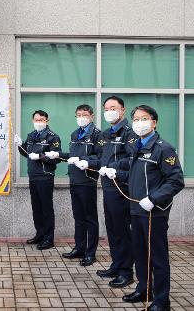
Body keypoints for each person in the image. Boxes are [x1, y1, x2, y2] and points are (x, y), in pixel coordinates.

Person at [104, 105, 184, 311]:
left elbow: (175, 181)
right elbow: (134, 175)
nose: (140, 123)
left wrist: (154, 198)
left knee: (158, 257)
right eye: (136, 119)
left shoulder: (163, 148)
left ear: (154, 122)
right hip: (135, 209)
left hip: (153, 212)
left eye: (144, 119)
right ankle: (143, 289)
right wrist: (116, 174)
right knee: (140, 253)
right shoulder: (136, 147)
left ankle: (161, 300)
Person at [87, 96, 136, 288]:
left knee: (122, 230)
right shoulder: (106, 134)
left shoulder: (129, 133)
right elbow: (101, 158)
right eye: (106, 108)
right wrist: (89, 163)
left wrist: (115, 167)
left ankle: (126, 272)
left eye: (113, 108)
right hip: (107, 186)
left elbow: (134, 158)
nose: (109, 111)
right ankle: (116, 265)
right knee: (113, 229)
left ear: (122, 110)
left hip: (121, 187)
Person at [59, 104, 101, 267]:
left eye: (84, 114)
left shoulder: (97, 135)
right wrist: (59, 155)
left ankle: (91, 253)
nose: (81, 117)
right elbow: (73, 155)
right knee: (78, 217)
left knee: (90, 218)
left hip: (87, 181)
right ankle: (80, 248)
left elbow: (100, 157)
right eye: (78, 115)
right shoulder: (75, 133)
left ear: (91, 116)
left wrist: (87, 162)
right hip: (75, 180)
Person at [14, 110, 62, 250]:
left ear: (47, 121)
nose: (38, 122)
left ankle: (49, 238)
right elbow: (27, 154)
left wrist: (41, 156)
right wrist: (20, 145)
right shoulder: (31, 135)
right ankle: (40, 234)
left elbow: (56, 158)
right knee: (37, 208)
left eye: (41, 119)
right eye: (36, 119)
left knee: (46, 208)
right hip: (33, 176)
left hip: (45, 176)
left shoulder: (53, 137)